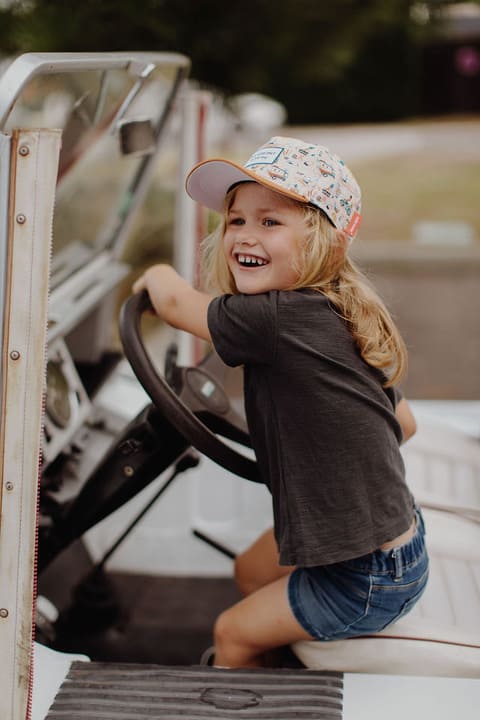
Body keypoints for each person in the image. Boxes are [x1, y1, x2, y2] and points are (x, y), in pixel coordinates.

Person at [133, 136, 429, 669]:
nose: (245, 235)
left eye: (271, 222)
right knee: (250, 570)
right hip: (396, 547)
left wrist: (150, 277)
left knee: (230, 632)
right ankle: (278, 668)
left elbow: (173, 301)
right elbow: (402, 422)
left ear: (326, 242)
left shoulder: (272, 318)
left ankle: (245, 684)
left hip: (363, 578)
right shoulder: (336, 309)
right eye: (236, 220)